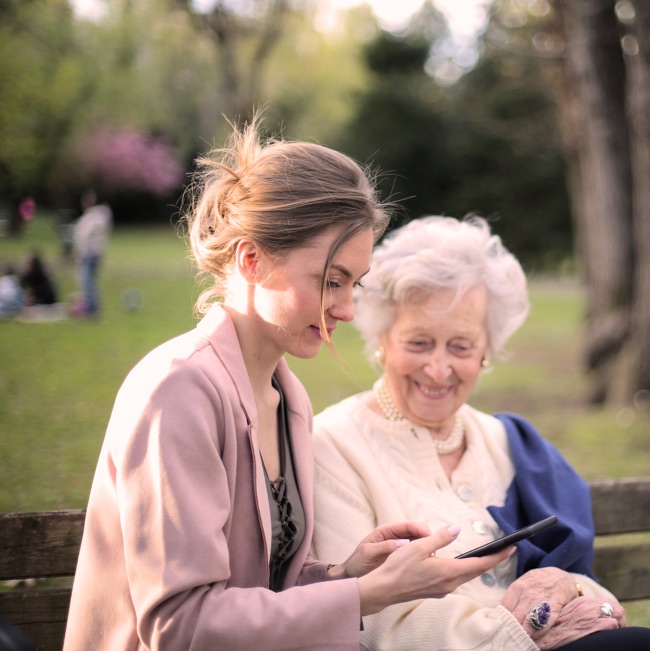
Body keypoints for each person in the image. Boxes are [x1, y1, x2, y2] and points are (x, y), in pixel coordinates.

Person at [63, 121, 512, 651]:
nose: (346, 309)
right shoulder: (177, 390)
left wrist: (347, 574)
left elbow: (258, 590)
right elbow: (180, 625)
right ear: (251, 260)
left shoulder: (286, 396)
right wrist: (364, 596)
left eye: (353, 284)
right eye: (330, 281)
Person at [311, 216, 650, 650]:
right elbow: (375, 620)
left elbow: (593, 593)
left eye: (461, 347)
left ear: (485, 351)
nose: (438, 369)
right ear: (382, 340)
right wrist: (519, 633)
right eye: (418, 343)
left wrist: (567, 586)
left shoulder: (509, 443)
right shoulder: (333, 445)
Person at [73, 189, 112, 316]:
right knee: (88, 281)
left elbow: (85, 235)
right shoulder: (93, 216)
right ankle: (90, 306)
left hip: (90, 253)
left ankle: (91, 308)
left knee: (87, 281)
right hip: (91, 253)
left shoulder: (96, 216)